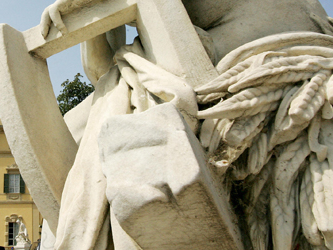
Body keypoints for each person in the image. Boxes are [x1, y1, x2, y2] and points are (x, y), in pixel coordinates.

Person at [33, 0, 333, 249]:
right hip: (303, 34)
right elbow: (99, 69)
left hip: (247, 45)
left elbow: (100, 71)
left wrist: (84, 12)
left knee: (82, 128)